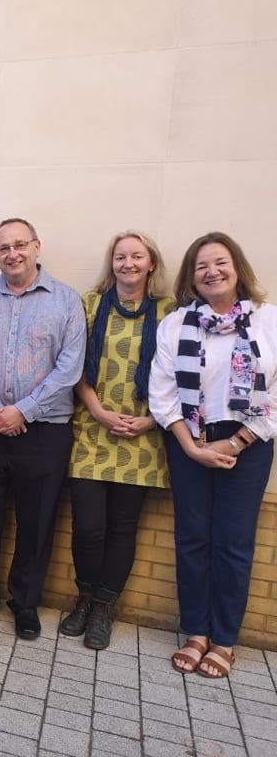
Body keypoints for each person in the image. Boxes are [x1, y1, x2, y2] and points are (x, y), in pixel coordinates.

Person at [0, 217, 85, 640]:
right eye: (4, 248)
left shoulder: (66, 301)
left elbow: (69, 368)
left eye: (20, 245)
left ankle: (25, 603)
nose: (13, 254)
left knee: (37, 520)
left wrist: (23, 410)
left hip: (44, 430)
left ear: (37, 246)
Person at [150, 232, 276, 679]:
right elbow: (162, 393)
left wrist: (236, 441)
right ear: (192, 276)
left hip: (250, 443)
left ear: (237, 267)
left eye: (220, 262)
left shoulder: (268, 321)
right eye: (202, 266)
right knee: (193, 539)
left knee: (234, 543)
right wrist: (189, 446)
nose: (212, 272)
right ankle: (196, 631)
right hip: (189, 441)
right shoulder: (177, 324)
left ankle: (224, 639)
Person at [62, 231, 175, 650]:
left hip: (145, 436)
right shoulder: (90, 305)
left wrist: (150, 421)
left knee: (123, 528)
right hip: (93, 430)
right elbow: (74, 365)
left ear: (151, 264)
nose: (128, 263)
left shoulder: (170, 312)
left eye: (136, 257)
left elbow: (183, 374)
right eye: (120, 257)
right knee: (88, 527)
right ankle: (84, 597)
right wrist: (97, 410)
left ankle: (106, 607)